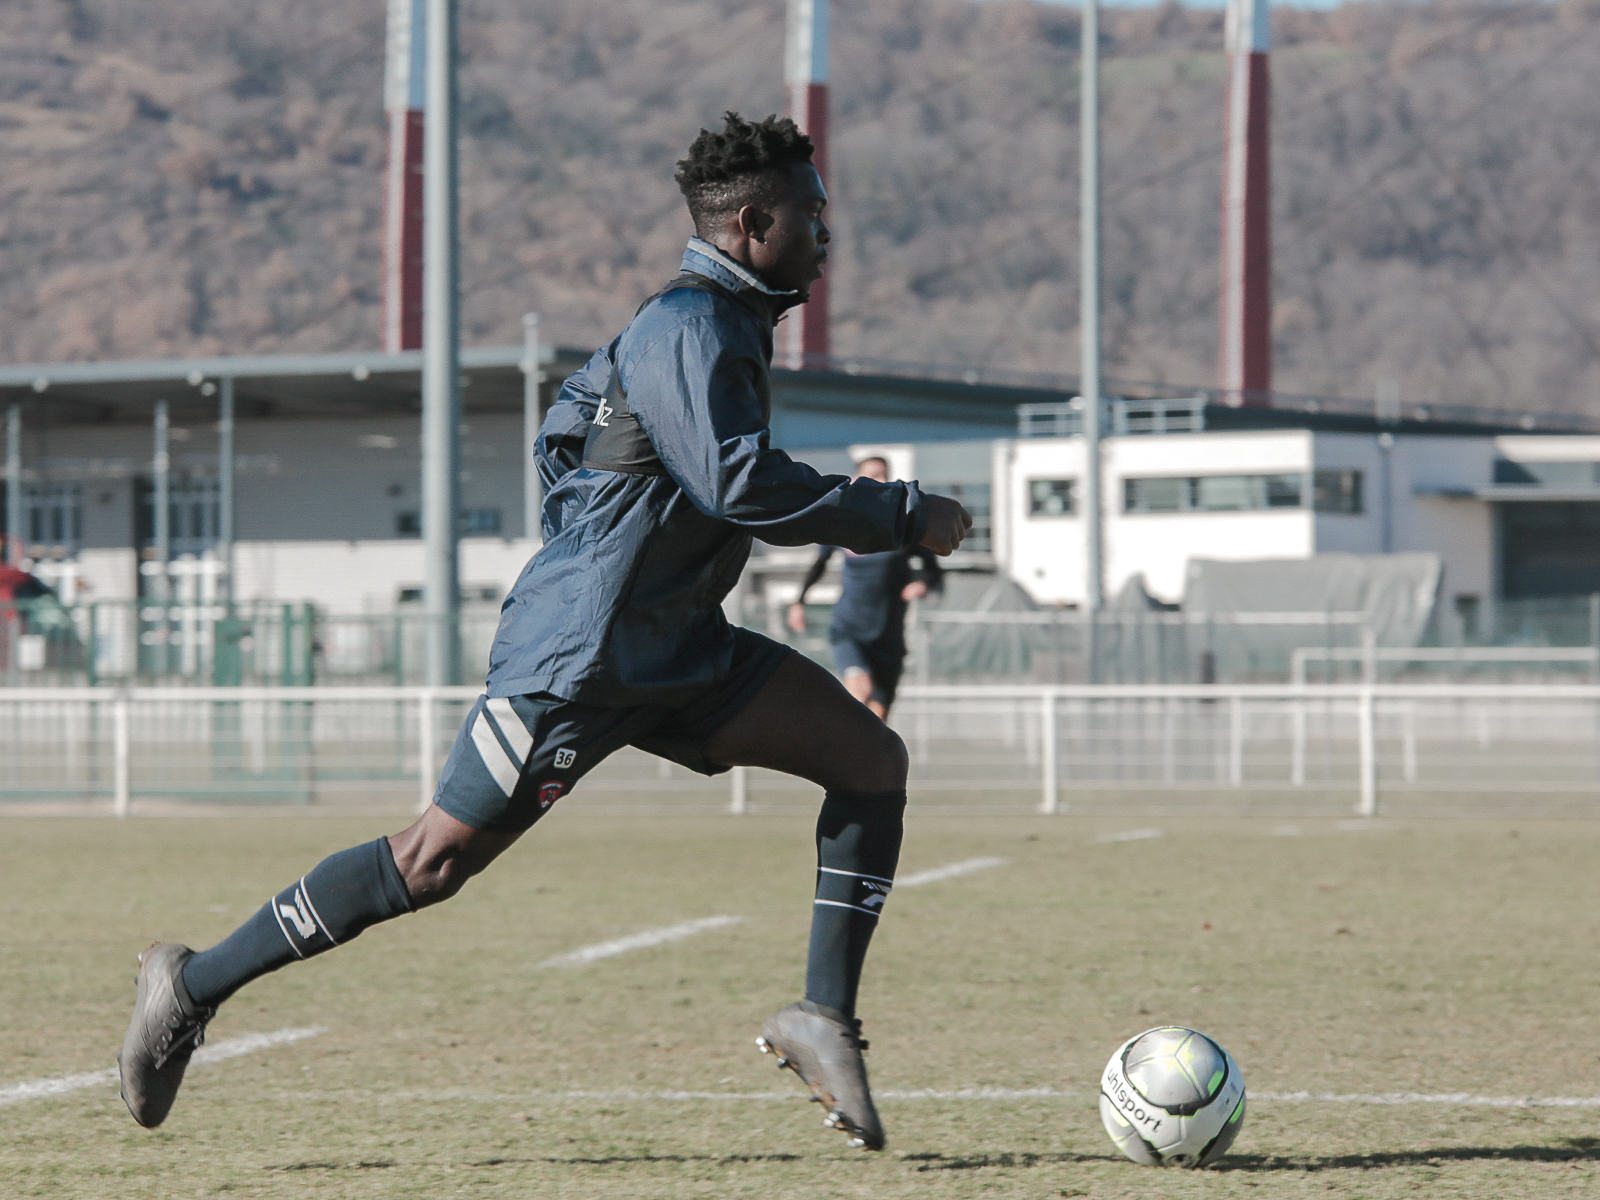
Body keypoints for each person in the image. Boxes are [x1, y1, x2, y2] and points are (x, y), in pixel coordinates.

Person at [116, 112, 971, 1152]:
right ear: (753, 222)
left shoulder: (724, 328)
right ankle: (190, 987)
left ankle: (821, 1017)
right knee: (431, 861)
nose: (829, 230)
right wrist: (898, 516)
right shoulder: (688, 324)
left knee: (869, 759)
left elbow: (574, 453)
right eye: (813, 213)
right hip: (585, 660)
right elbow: (735, 482)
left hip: (680, 647)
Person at [786, 457, 943, 719]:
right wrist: (798, 601)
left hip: (889, 636)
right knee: (860, 693)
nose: (880, 481)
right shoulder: (842, 523)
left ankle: (848, 756)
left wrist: (922, 583)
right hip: (849, 631)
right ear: (857, 482)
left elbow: (933, 569)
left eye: (884, 475)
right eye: (872, 475)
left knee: (878, 721)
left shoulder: (902, 529)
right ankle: (829, 749)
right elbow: (819, 564)